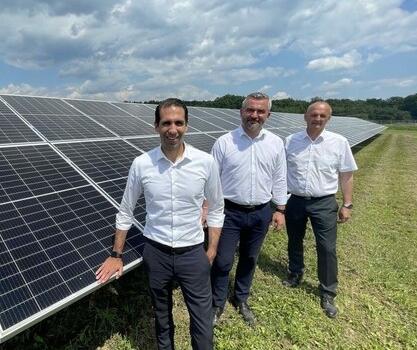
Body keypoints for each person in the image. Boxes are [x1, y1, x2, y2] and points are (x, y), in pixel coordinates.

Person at [95, 98, 225, 350]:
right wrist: (116, 254)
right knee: (162, 317)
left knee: (201, 320)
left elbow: (217, 208)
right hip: (156, 253)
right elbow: (125, 211)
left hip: (193, 253)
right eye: (166, 123)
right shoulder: (142, 164)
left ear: (187, 126)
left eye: (178, 123)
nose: (172, 129)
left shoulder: (205, 162)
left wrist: (211, 250)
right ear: (156, 126)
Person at [209, 92, 287, 326]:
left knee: (250, 258)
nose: (254, 115)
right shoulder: (224, 142)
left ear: (268, 114)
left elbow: (280, 177)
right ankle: (217, 302)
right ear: (241, 112)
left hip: (261, 212)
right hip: (228, 212)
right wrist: (207, 207)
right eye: (250, 110)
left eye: (260, 111)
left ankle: (241, 298)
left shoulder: (275, 143)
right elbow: (211, 180)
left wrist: (280, 210)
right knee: (222, 261)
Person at [282, 100, 357, 318]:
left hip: (324, 202)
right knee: (294, 239)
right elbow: (280, 171)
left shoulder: (339, 142)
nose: (317, 119)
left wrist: (347, 204)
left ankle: (327, 291)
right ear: (305, 117)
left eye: (322, 116)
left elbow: (346, 175)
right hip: (295, 199)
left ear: (328, 119)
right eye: (314, 115)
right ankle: (295, 273)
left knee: (326, 247)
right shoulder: (291, 141)